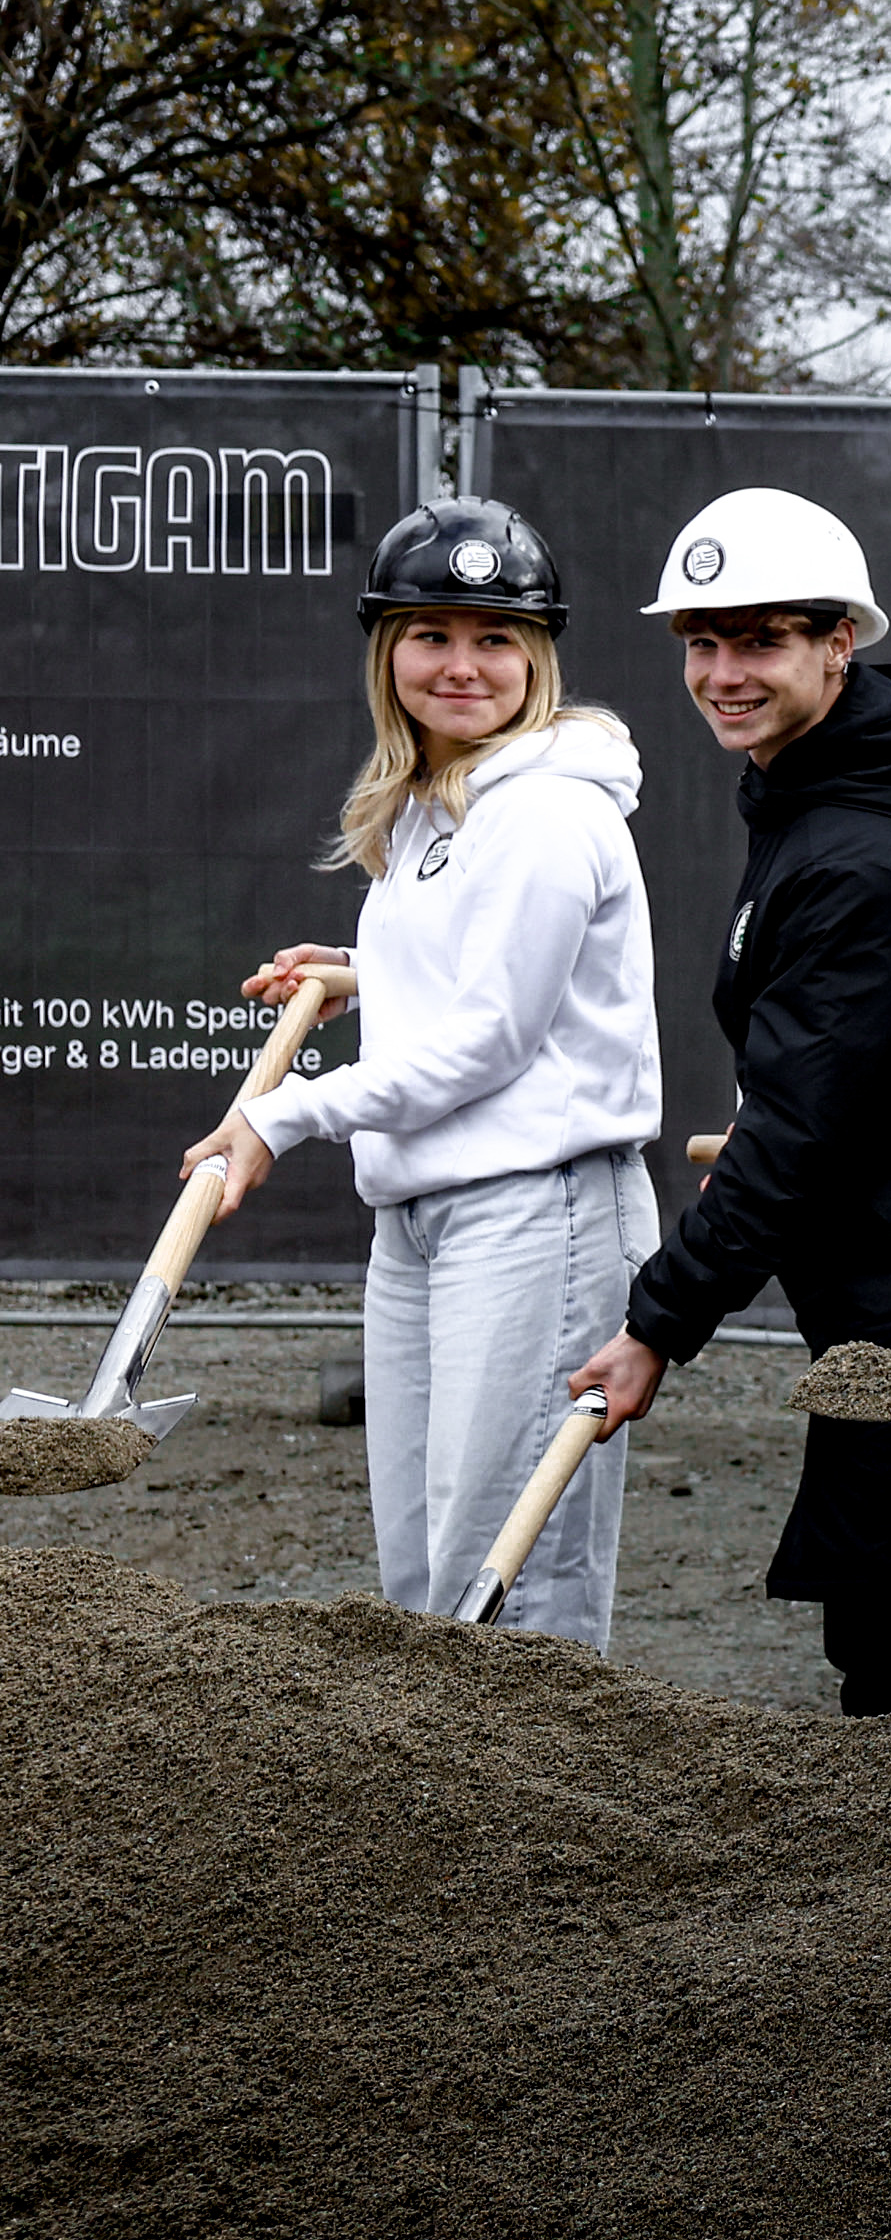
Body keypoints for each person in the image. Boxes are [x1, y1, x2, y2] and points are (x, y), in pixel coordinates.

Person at [571, 488, 891, 1715]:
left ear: (839, 643)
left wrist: (657, 1327)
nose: (723, 673)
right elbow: (841, 1084)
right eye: (702, 641)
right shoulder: (823, 796)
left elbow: (795, 1138)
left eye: (761, 641)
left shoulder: (861, 851)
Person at [191, 501, 661, 1644]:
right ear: (385, 650)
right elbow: (481, 979)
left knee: (508, 1579)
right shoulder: (436, 803)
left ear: (537, 653)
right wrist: (367, 972)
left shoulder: (548, 809)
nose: (462, 665)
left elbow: (490, 1040)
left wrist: (284, 1115)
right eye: (430, 635)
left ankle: (537, 1815)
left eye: (495, 637)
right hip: (423, 1214)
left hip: (535, 1212)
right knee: (422, 1569)